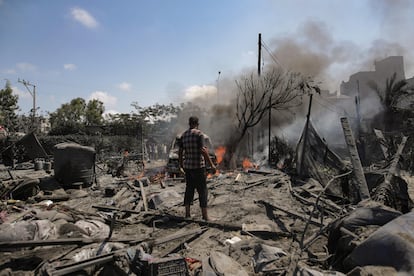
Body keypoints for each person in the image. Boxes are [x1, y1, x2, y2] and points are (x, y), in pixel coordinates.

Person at [178, 116, 216, 221]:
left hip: (188, 168)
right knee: (202, 190)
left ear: (189, 123)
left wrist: (181, 165)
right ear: (197, 124)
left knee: (189, 189)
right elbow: (203, 151)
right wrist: (212, 164)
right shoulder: (200, 134)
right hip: (199, 167)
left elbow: (180, 152)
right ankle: (205, 216)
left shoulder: (184, 135)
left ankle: (187, 214)